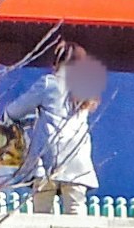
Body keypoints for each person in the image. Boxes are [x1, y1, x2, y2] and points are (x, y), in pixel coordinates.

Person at [25, 46, 104, 216]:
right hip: (77, 160)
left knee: (42, 214)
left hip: (47, 161)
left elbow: (17, 109)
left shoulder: (49, 83)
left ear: (57, 62)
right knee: (76, 212)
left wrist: (7, 120)